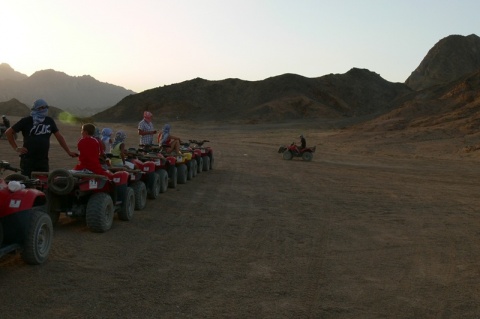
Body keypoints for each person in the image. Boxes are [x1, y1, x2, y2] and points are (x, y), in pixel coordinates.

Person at [5, 99, 77, 177]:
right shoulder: (26, 121)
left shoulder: (49, 121)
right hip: (28, 159)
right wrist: (16, 148)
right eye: (41, 107)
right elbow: (8, 132)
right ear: (35, 108)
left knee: (43, 183)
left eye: (46, 107)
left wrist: (68, 151)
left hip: (43, 160)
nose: (44, 109)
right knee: (27, 182)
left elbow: (59, 137)